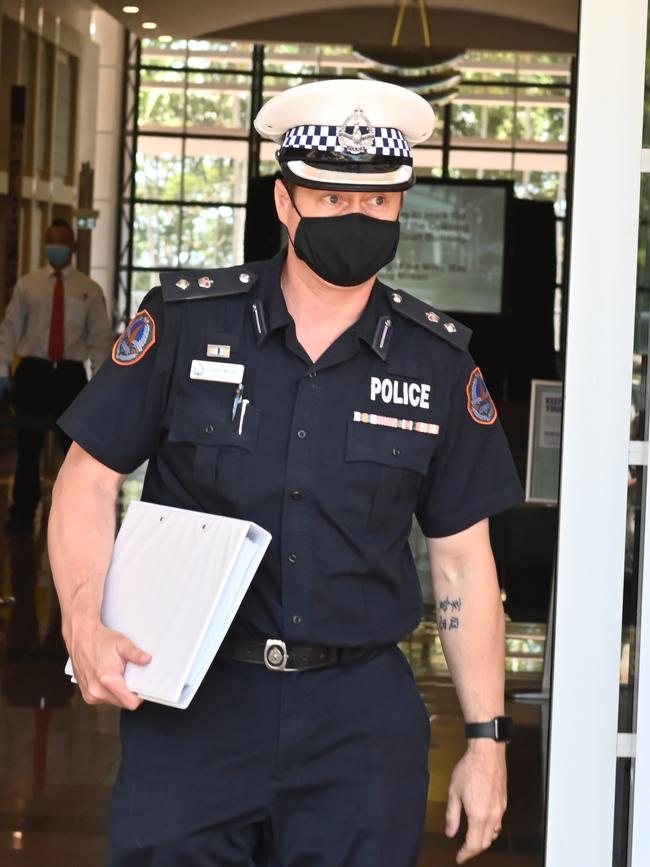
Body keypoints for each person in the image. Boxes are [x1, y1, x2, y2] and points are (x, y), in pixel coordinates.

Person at [48, 79, 524, 867]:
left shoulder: (435, 362)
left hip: (358, 723)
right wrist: (80, 619)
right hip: (195, 705)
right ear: (286, 200)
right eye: (333, 197)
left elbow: (463, 560)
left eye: (379, 202)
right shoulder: (185, 322)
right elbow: (87, 478)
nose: (358, 219)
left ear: (401, 207)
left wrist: (487, 739)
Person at [0, 218, 112, 531]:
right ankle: (22, 511)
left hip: (70, 376)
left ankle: (73, 516)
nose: (56, 246)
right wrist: (2, 369)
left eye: (62, 240)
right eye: (51, 240)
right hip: (33, 373)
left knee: (74, 451)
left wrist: (101, 383)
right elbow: (9, 330)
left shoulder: (89, 289)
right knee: (28, 445)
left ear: (73, 246)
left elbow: (100, 340)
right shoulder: (27, 285)